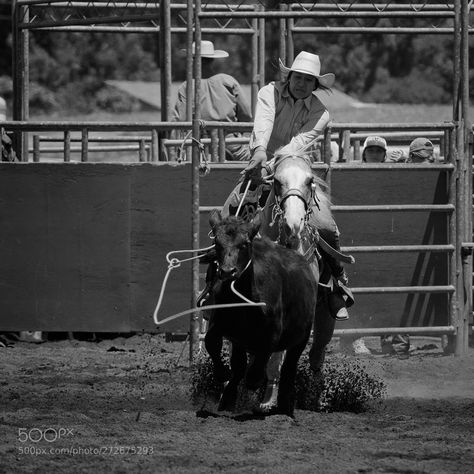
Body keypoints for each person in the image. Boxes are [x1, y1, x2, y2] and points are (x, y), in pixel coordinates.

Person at [222, 51, 351, 321]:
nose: (301, 83)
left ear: (315, 85)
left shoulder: (321, 113)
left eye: (307, 80)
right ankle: (217, 284)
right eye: (297, 77)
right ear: (289, 77)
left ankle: (338, 283)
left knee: (326, 227)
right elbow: (264, 121)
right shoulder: (269, 92)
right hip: (259, 164)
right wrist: (258, 152)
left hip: (295, 171)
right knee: (228, 216)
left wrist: (267, 163)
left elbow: (297, 145)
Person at [171, 40, 252, 161]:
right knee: (258, 166)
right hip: (230, 143)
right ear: (212, 60)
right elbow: (246, 115)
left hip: (198, 144)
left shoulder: (186, 86)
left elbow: (179, 121)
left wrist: (173, 152)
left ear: (193, 61)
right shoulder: (228, 81)